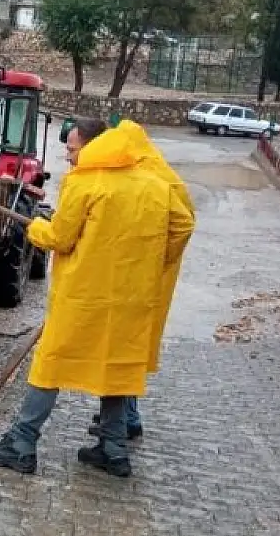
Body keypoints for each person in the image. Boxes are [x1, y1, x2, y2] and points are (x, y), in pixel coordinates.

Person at [0, 118, 195, 477]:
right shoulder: (155, 185)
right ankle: (113, 450)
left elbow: (60, 238)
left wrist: (34, 227)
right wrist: (152, 264)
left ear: (94, 147)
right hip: (132, 298)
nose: (69, 155)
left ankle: (22, 443)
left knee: (51, 363)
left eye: (73, 149)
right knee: (117, 367)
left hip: (84, 296)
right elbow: (184, 225)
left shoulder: (85, 183)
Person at [86, 120, 197, 441]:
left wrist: (152, 259)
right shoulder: (155, 170)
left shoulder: (152, 178)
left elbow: (183, 225)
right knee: (127, 346)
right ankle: (126, 419)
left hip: (143, 279)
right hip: (144, 275)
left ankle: (120, 429)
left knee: (124, 348)